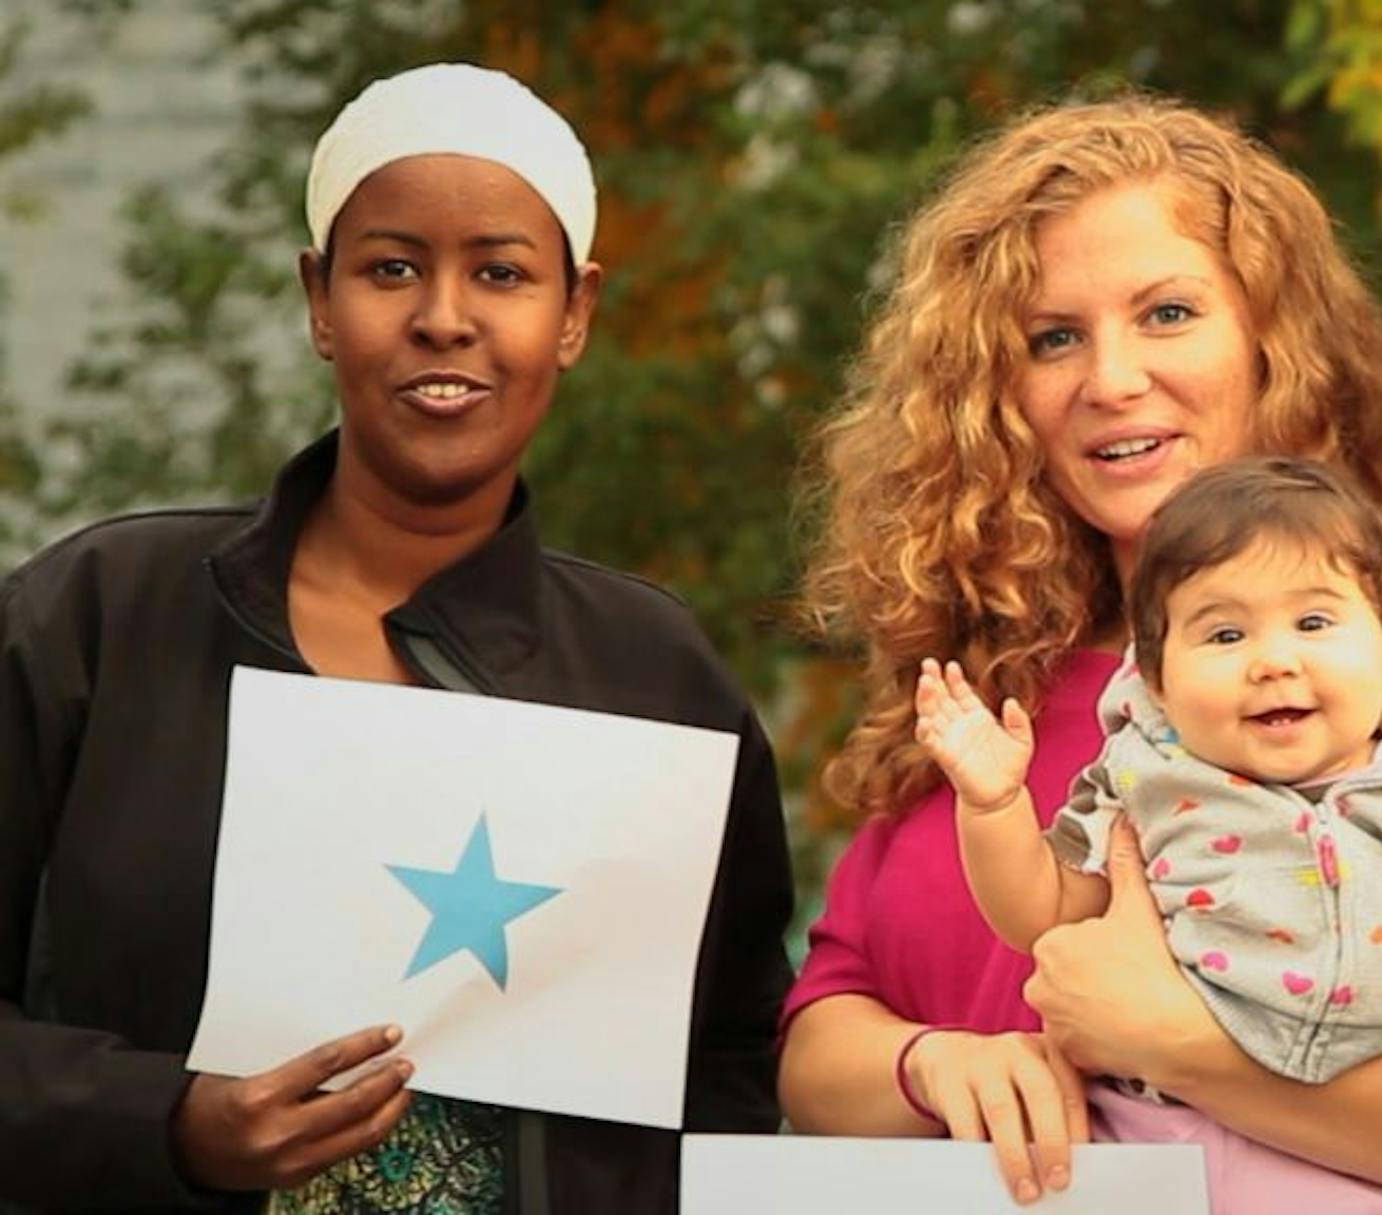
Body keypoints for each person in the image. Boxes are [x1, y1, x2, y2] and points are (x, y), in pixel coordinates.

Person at [0, 63, 794, 1213]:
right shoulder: (101, 618)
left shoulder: (654, 675)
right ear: (320, 300)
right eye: (391, 268)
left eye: (503, 274)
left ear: (574, 314)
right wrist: (166, 1123)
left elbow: (728, 1067)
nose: (444, 317)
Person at [780, 95, 1382, 1209]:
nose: (1111, 379)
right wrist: (938, 1064)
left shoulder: (1367, 683)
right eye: (1055, 338)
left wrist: (1178, 1050)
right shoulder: (979, 685)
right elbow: (817, 1052)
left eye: (1168, 313)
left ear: (1271, 346)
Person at [916, 456, 1382, 1212]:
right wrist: (993, 808)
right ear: (1155, 678)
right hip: (1154, 1135)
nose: (1273, 660)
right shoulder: (1146, 783)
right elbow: (1042, 913)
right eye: (1224, 633)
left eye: (1314, 622)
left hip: (1365, 1156)